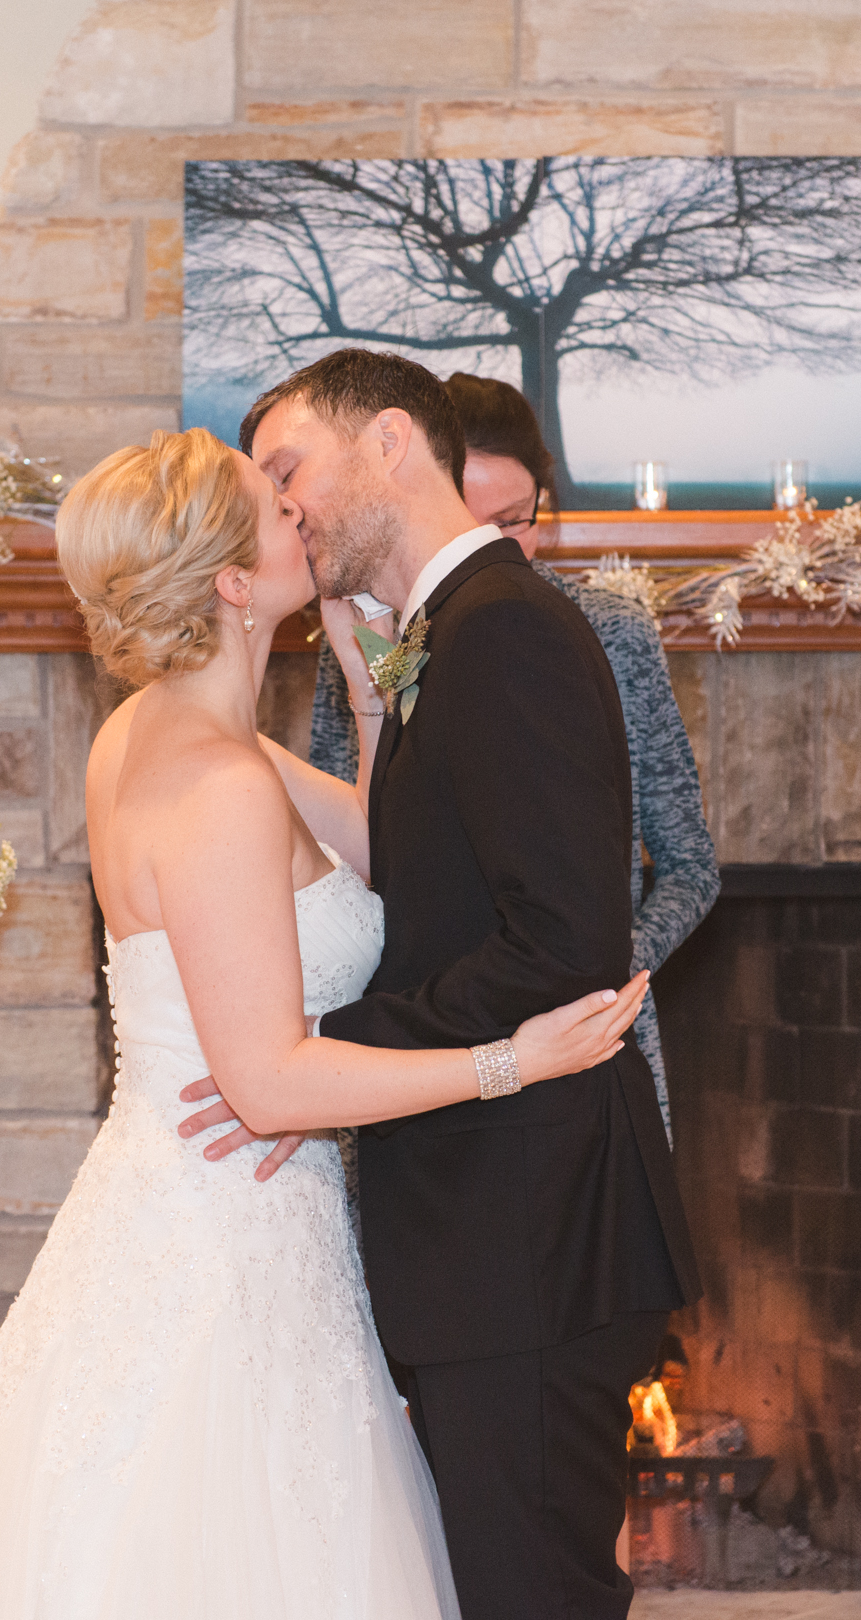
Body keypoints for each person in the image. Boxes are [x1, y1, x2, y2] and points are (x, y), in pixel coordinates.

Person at [0, 427, 647, 1620]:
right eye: (270, 508)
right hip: (223, 1239)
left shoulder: (177, 738)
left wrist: (371, 699)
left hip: (231, 1212)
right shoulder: (210, 785)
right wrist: (507, 1060)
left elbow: (379, 855)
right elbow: (267, 1087)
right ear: (227, 577)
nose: (296, 515)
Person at [182, 350, 703, 1619]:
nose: (285, 505)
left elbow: (558, 949)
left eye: (293, 469)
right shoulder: (446, 637)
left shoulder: (505, 632)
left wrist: (318, 1061)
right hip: (493, 1232)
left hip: (528, 1239)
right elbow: (432, 885)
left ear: (393, 445)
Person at [311, 372, 721, 1147]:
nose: (496, 546)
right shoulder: (369, 643)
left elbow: (689, 864)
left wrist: (594, 971)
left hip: (584, 1043)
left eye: (517, 520)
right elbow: (349, 855)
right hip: (423, 1056)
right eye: (472, 519)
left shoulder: (607, 628)